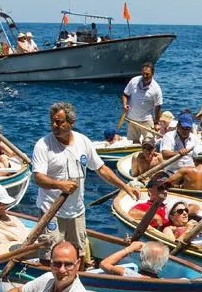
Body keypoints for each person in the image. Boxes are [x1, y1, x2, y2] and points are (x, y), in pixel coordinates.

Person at [31, 102, 137, 267]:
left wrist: (124, 186)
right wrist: (60, 185)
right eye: (52, 121)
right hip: (51, 210)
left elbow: (101, 169)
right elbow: (38, 178)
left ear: (71, 123)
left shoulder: (83, 142)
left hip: (76, 211)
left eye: (59, 122)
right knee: (49, 255)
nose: (54, 125)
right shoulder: (43, 145)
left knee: (78, 254)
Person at [0, 241, 94, 292]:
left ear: (78, 264)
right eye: (57, 264)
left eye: (68, 265)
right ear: (51, 263)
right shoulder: (47, 279)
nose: (62, 270)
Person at [121, 63, 163, 143]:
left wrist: (156, 123)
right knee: (134, 143)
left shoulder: (156, 89)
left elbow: (158, 107)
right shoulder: (134, 81)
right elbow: (125, 94)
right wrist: (124, 105)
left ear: (153, 74)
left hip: (146, 120)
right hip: (132, 119)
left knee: (148, 143)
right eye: (143, 74)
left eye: (147, 74)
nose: (145, 76)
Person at [99, 240, 171, 278]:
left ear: (140, 259)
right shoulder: (165, 283)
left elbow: (104, 263)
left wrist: (130, 249)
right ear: (164, 265)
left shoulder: (126, 273)